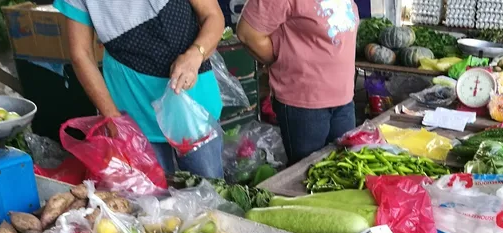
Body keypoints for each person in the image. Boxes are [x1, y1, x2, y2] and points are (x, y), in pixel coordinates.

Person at [54, 0, 226, 178]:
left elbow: (213, 16)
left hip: (193, 105)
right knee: (152, 200)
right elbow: (81, 54)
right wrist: (112, 117)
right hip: (133, 110)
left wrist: (195, 54)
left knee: (210, 191)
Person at [236, 0, 359, 164]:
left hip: (344, 99)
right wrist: (279, 61)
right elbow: (248, 33)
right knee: (308, 177)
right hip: (305, 104)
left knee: (345, 170)